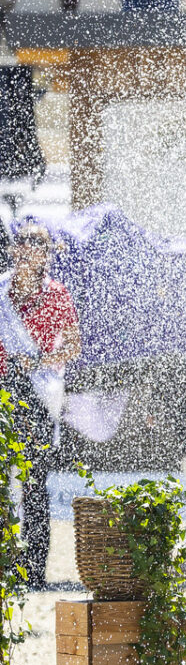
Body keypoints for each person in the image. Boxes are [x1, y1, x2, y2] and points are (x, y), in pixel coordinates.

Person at [0, 219, 78, 588]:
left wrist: (42, 359)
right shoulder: (0, 290)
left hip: (38, 392)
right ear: (16, 249)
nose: (37, 250)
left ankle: (33, 569)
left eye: (43, 245)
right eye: (29, 242)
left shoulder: (57, 294)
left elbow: (73, 346)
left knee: (34, 482)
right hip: (2, 390)